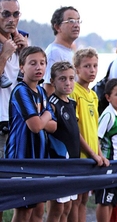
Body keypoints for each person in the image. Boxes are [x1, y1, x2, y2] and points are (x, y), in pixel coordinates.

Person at [5, 46, 57, 222]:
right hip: (22, 157)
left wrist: (44, 118)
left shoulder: (41, 91)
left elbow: (53, 126)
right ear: (22, 67)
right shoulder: (21, 91)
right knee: (23, 210)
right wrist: (47, 114)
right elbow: (35, 126)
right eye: (32, 63)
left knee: (38, 209)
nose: (38, 67)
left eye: (42, 63)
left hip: (39, 157)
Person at [68, 47, 110, 222]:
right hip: (80, 155)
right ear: (77, 69)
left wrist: (100, 154)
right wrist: (92, 154)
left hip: (93, 157)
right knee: (75, 200)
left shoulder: (93, 95)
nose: (92, 70)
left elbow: (94, 129)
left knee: (85, 199)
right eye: (87, 66)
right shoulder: (73, 92)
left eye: (95, 66)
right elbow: (74, 129)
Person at [0, 0, 28, 222]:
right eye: (6, 14)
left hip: (17, 124)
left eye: (16, 14)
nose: (11, 19)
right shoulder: (5, 48)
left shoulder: (19, 44)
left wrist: (24, 54)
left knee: (14, 190)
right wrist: (4, 56)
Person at [47, 61, 81, 222]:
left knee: (68, 206)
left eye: (71, 78)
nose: (68, 83)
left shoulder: (72, 103)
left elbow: (75, 133)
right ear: (52, 81)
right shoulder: (51, 105)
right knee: (57, 208)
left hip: (73, 160)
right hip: (59, 160)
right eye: (62, 79)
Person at [95, 78, 117, 222]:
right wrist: (101, 157)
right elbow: (96, 137)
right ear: (108, 97)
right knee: (104, 200)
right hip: (108, 164)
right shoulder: (108, 115)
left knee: (112, 199)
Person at [43, 6, 81, 96]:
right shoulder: (54, 53)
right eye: (71, 21)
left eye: (78, 21)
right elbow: (49, 90)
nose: (76, 25)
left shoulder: (69, 51)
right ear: (57, 27)